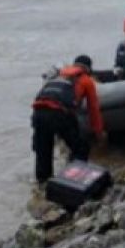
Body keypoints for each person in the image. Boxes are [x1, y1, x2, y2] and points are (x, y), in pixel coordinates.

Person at [30, 55, 104, 183]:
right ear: (88, 69)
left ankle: (42, 185)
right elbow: (93, 108)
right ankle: (72, 181)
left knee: (44, 152)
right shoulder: (86, 80)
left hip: (38, 112)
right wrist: (98, 132)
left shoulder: (58, 74)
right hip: (59, 113)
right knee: (80, 148)